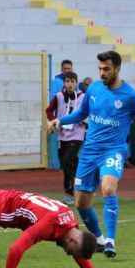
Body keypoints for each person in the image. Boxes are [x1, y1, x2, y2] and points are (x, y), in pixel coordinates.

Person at [48, 51, 135, 259]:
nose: (102, 73)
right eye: (100, 69)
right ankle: (98, 238)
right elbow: (82, 114)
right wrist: (60, 121)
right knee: (81, 203)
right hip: (89, 151)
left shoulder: (131, 96)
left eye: (106, 69)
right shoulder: (94, 89)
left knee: (108, 188)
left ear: (117, 68)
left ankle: (110, 241)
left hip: (113, 150)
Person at [46, 71, 85, 204]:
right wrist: (52, 121)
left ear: (76, 83)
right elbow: (49, 110)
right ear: (64, 83)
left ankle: (72, 191)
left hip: (77, 133)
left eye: (72, 82)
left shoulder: (82, 97)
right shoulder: (59, 96)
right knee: (66, 164)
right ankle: (75, 187)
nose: (69, 84)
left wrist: (86, 120)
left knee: (69, 160)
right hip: (62, 135)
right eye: (67, 81)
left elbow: (89, 112)